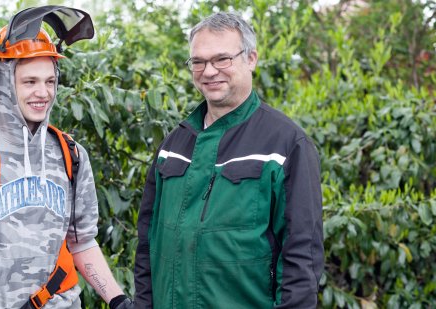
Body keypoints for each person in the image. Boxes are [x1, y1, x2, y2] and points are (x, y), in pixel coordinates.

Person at [0, 6, 132, 309]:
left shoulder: (71, 155)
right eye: (30, 81)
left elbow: (82, 241)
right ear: (1, 85)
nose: (42, 92)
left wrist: (118, 300)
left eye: (49, 81)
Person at [134, 12, 324, 308]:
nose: (209, 71)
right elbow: (147, 245)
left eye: (222, 59)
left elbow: (302, 257)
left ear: (251, 59)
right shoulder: (173, 146)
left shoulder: (285, 144)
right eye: (198, 62)